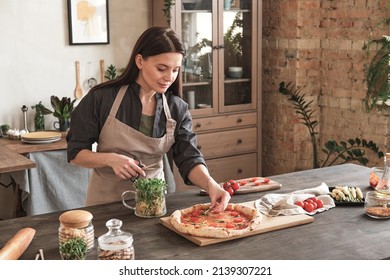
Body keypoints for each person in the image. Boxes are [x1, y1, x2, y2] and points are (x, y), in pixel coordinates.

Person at [66, 26, 230, 212]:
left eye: (176, 70)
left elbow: (188, 158)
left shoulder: (177, 108)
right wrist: (110, 159)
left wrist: (211, 185)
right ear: (139, 61)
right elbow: (76, 153)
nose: (169, 77)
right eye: (162, 68)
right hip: (105, 207)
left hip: (154, 206)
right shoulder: (102, 98)